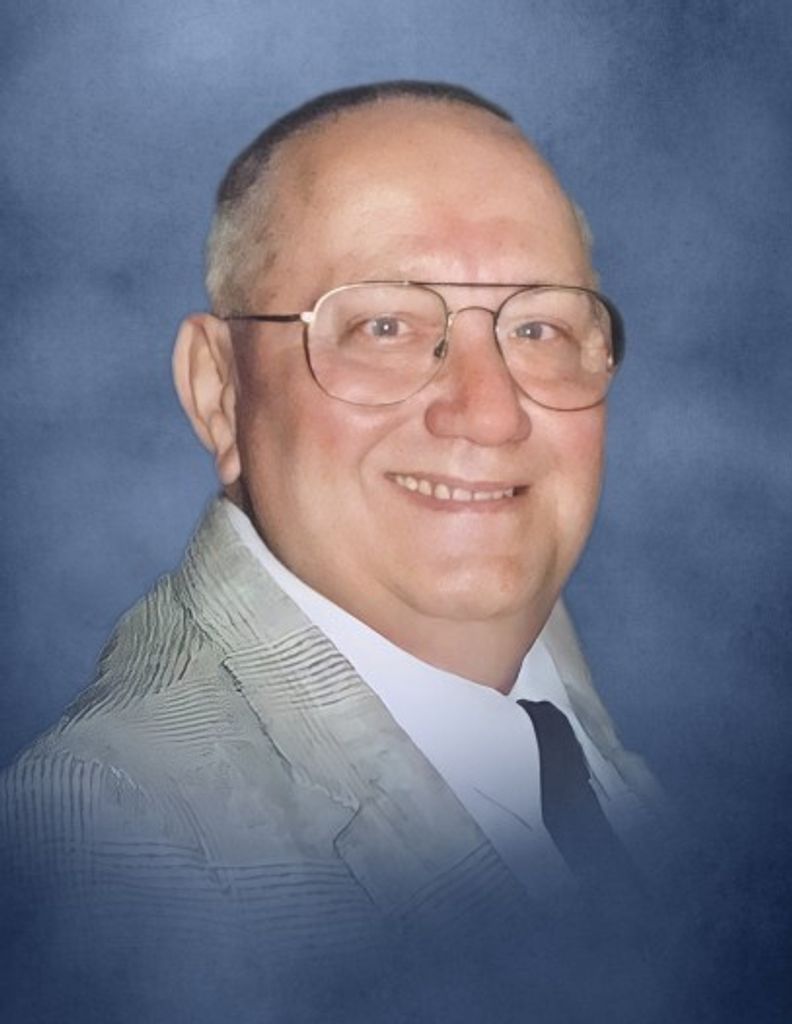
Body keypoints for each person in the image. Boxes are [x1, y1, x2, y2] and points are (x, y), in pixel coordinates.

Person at [0, 81, 668, 1021]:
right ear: (219, 392)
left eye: (538, 328)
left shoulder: (552, 684)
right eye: (384, 327)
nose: (490, 412)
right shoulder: (115, 838)